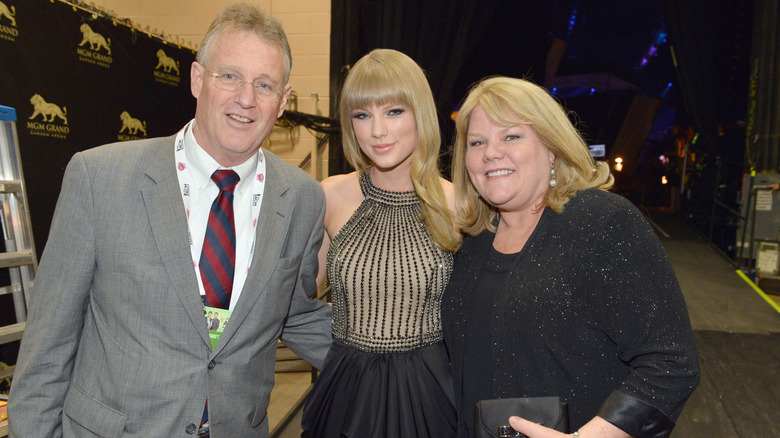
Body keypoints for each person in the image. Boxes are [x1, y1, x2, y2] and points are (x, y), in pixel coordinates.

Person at [8, 4, 332, 437]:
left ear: (283, 101)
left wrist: (405, 356)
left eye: (265, 84)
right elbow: (47, 347)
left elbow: (295, 312)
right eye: (230, 76)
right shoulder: (99, 178)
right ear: (198, 79)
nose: (246, 98)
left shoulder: (302, 199)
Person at [441, 76, 700, 438]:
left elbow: (671, 362)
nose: (490, 152)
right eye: (477, 141)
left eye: (511, 136)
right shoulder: (471, 241)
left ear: (551, 148)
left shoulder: (602, 222)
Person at [301, 48, 460, 437]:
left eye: (393, 111)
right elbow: (294, 301)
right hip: (346, 391)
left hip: (429, 395)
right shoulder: (331, 195)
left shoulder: (460, 206)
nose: (377, 131)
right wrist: (340, 349)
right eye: (362, 115)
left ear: (420, 112)